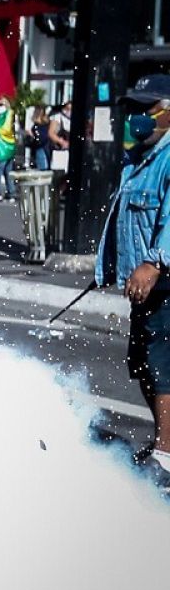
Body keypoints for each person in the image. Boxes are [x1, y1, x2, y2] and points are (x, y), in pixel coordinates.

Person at [97, 75, 170, 489]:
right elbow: (124, 222)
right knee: (142, 365)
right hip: (144, 284)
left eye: (147, 108)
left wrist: (154, 262)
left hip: (164, 281)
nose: (138, 117)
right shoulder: (136, 159)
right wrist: (111, 267)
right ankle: (164, 442)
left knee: (163, 368)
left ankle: (166, 455)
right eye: (134, 109)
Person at [0, 96, 17, 202]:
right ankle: (10, 193)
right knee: (7, 171)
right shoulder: (0, 116)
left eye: (1, 104)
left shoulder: (9, 114)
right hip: (6, 146)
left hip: (3, 148)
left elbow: (5, 129)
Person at [50, 99, 72, 173]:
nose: (69, 111)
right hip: (60, 153)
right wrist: (61, 141)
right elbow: (51, 133)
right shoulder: (57, 117)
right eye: (67, 109)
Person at [28, 104, 52, 171]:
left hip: (41, 148)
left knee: (43, 169)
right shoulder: (47, 123)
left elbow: (40, 138)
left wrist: (32, 136)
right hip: (45, 148)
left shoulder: (38, 125)